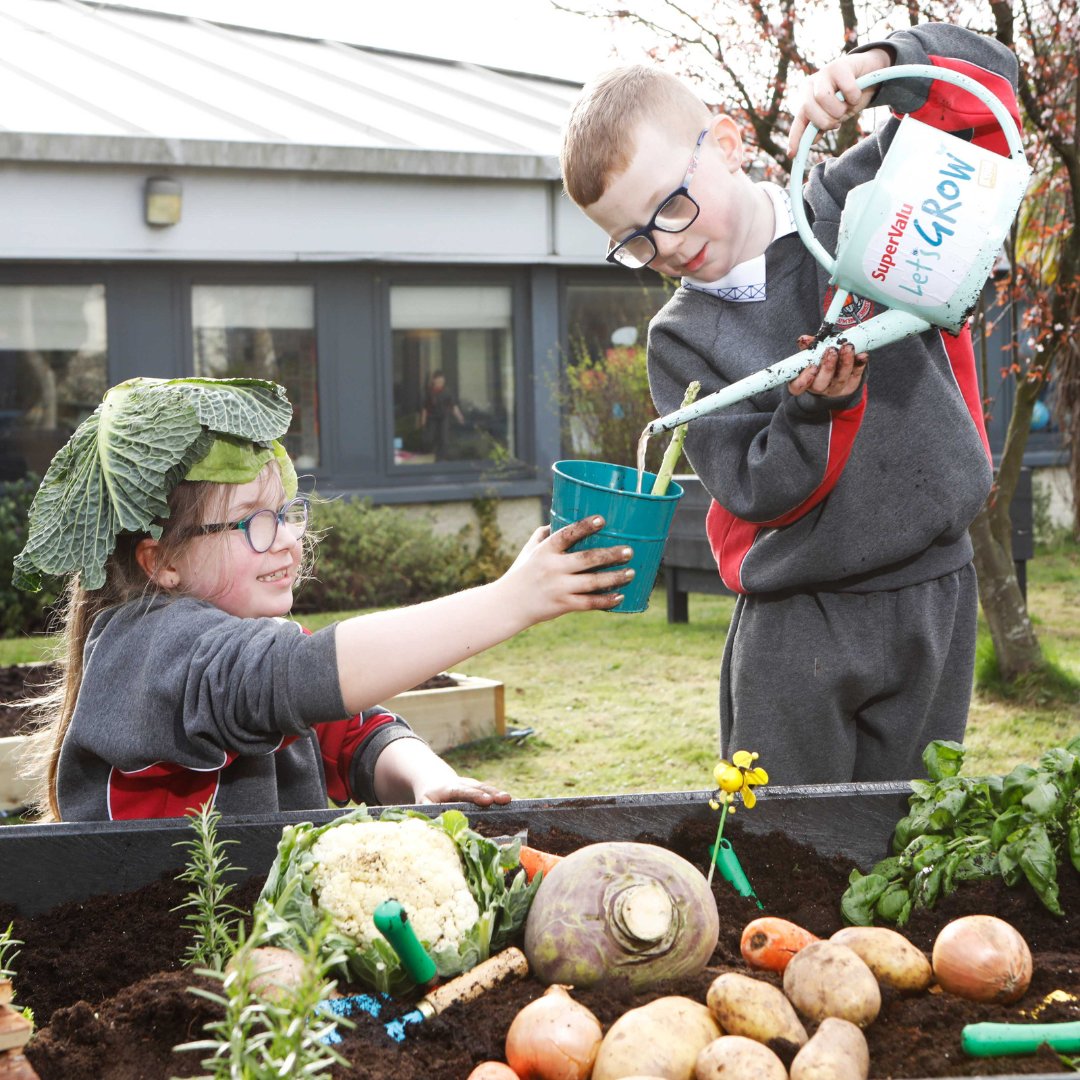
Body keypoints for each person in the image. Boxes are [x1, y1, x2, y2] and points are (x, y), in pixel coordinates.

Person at [560, 24, 1021, 784]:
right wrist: (815, 412)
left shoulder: (858, 198)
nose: (666, 246)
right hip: (797, 621)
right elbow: (754, 489)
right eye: (634, 241)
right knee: (786, 852)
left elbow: (988, 101)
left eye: (671, 205)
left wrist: (880, 68)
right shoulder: (681, 340)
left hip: (935, 588)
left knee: (912, 845)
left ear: (730, 142)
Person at [15, 377, 634, 822]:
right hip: (181, 965)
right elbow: (298, 678)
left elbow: (353, 731)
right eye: (253, 523)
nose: (286, 540)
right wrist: (511, 601)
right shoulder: (148, 649)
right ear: (161, 561)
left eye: (287, 513)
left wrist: (426, 777)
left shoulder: (238, 640)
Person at [420, 370, 466, 460]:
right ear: (434, 381)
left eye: (442, 382)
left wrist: (460, 417)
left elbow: (453, 406)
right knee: (429, 438)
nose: (440, 383)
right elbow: (425, 408)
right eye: (438, 381)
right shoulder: (429, 392)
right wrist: (423, 421)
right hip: (432, 417)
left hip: (443, 417)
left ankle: (441, 458)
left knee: (444, 439)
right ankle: (431, 452)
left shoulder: (447, 392)